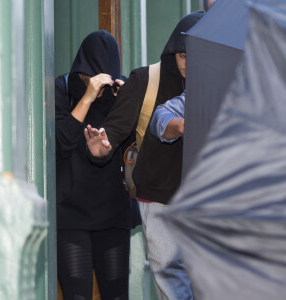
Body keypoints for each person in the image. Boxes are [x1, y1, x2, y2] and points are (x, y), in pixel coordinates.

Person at [84, 12, 205, 300]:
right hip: (159, 197)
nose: (188, 62)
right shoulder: (146, 79)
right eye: (182, 55)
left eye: (196, 54)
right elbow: (113, 132)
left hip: (205, 200)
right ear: (172, 52)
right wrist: (101, 146)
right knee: (172, 282)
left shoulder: (220, 84)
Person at [55, 30, 139, 300]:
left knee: (117, 295)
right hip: (70, 212)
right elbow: (62, 142)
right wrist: (88, 96)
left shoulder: (124, 89)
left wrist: (128, 102)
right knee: (76, 295)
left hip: (113, 210)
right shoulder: (64, 87)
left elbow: (138, 145)